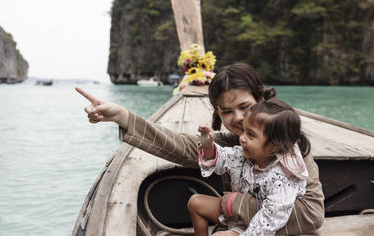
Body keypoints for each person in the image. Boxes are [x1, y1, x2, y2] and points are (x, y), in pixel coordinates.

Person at [75, 62, 324, 235]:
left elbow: (312, 215)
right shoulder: (233, 145)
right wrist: (123, 116)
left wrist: (235, 203)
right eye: (226, 112)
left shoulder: (291, 149)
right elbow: (180, 145)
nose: (237, 118)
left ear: (261, 100)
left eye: (245, 106)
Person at [189, 98, 310, 236]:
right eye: (244, 131)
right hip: (236, 215)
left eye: (251, 134)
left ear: (275, 145)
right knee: (195, 202)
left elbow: (269, 222)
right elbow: (222, 158)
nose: (242, 138)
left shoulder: (282, 178)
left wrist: (235, 233)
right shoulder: (244, 155)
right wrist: (208, 146)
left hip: (264, 229)